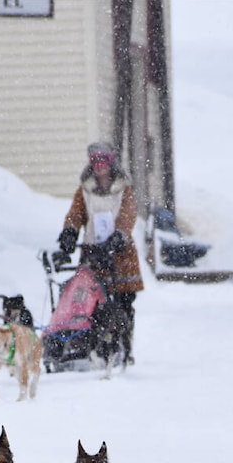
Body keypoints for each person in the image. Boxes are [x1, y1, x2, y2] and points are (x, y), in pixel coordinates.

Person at [57, 142, 144, 359]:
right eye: (95, 160)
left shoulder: (124, 189)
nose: (99, 165)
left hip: (120, 255)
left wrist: (118, 237)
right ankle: (93, 344)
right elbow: (76, 214)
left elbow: (127, 217)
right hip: (93, 254)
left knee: (122, 302)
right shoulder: (85, 190)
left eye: (103, 160)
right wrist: (70, 232)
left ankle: (124, 346)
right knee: (90, 301)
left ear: (111, 161)